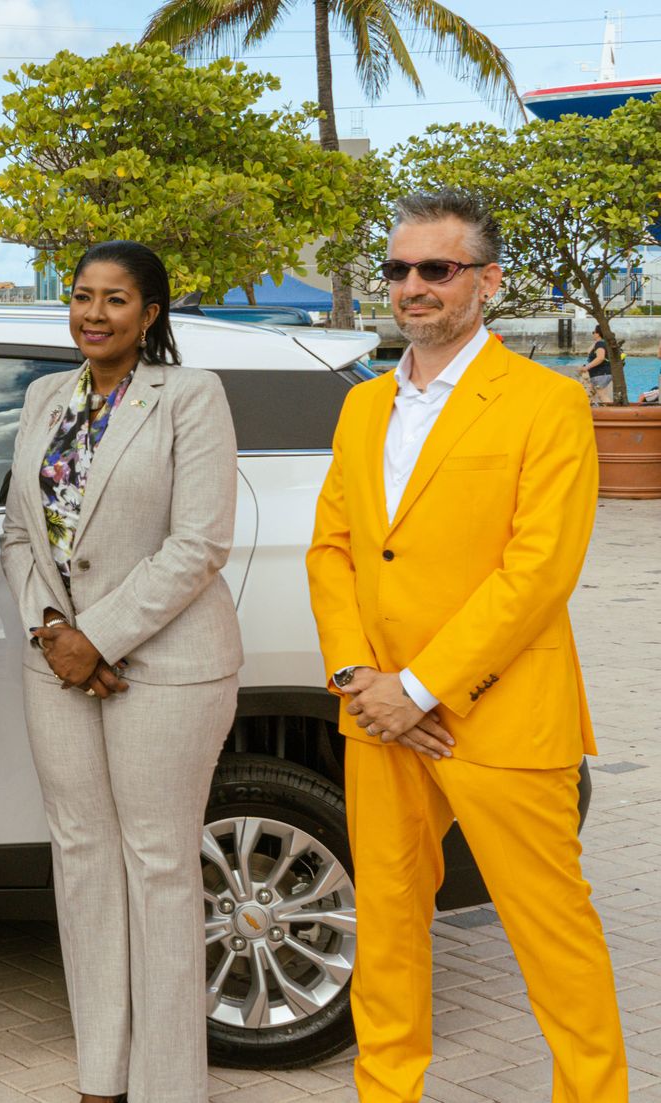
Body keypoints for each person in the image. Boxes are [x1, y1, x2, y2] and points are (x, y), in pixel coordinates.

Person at [307, 189, 627, 1102]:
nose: (413, 285)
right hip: (376, 713)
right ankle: (388, 1088)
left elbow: (538, 571)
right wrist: (357, 677)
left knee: (550, 931)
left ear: (485, 283)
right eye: (399, 268)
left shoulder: (547, 402)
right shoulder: (362, 408)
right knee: (390, 922)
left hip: (497, 714)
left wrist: (420, 686)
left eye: (435, 269)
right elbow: (332, 550)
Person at [0, 241, 241, 1103]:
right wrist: (53, 631)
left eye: (114, 299)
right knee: (83, 859)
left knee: (160, 863)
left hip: (167, 665)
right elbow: (20, 533)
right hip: (55, 662)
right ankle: (100, 1072)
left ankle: (170, 1085)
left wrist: (96, 636)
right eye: (80, 296)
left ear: (150, 314)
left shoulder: (190, 396)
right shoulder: (40, 397)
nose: (92, 313)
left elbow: (199, 542)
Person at [584, 327, 611, 403]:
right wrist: (596, 341)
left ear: (598, 334)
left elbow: (600, 358)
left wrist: (586, 367)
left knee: (602, 395)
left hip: (600, 374)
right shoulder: (600, 343)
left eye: (593, 332)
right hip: (601, 373)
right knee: (589, 394)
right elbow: (588, 351)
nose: (593, 334)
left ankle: (611, 412)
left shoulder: (600, 344)